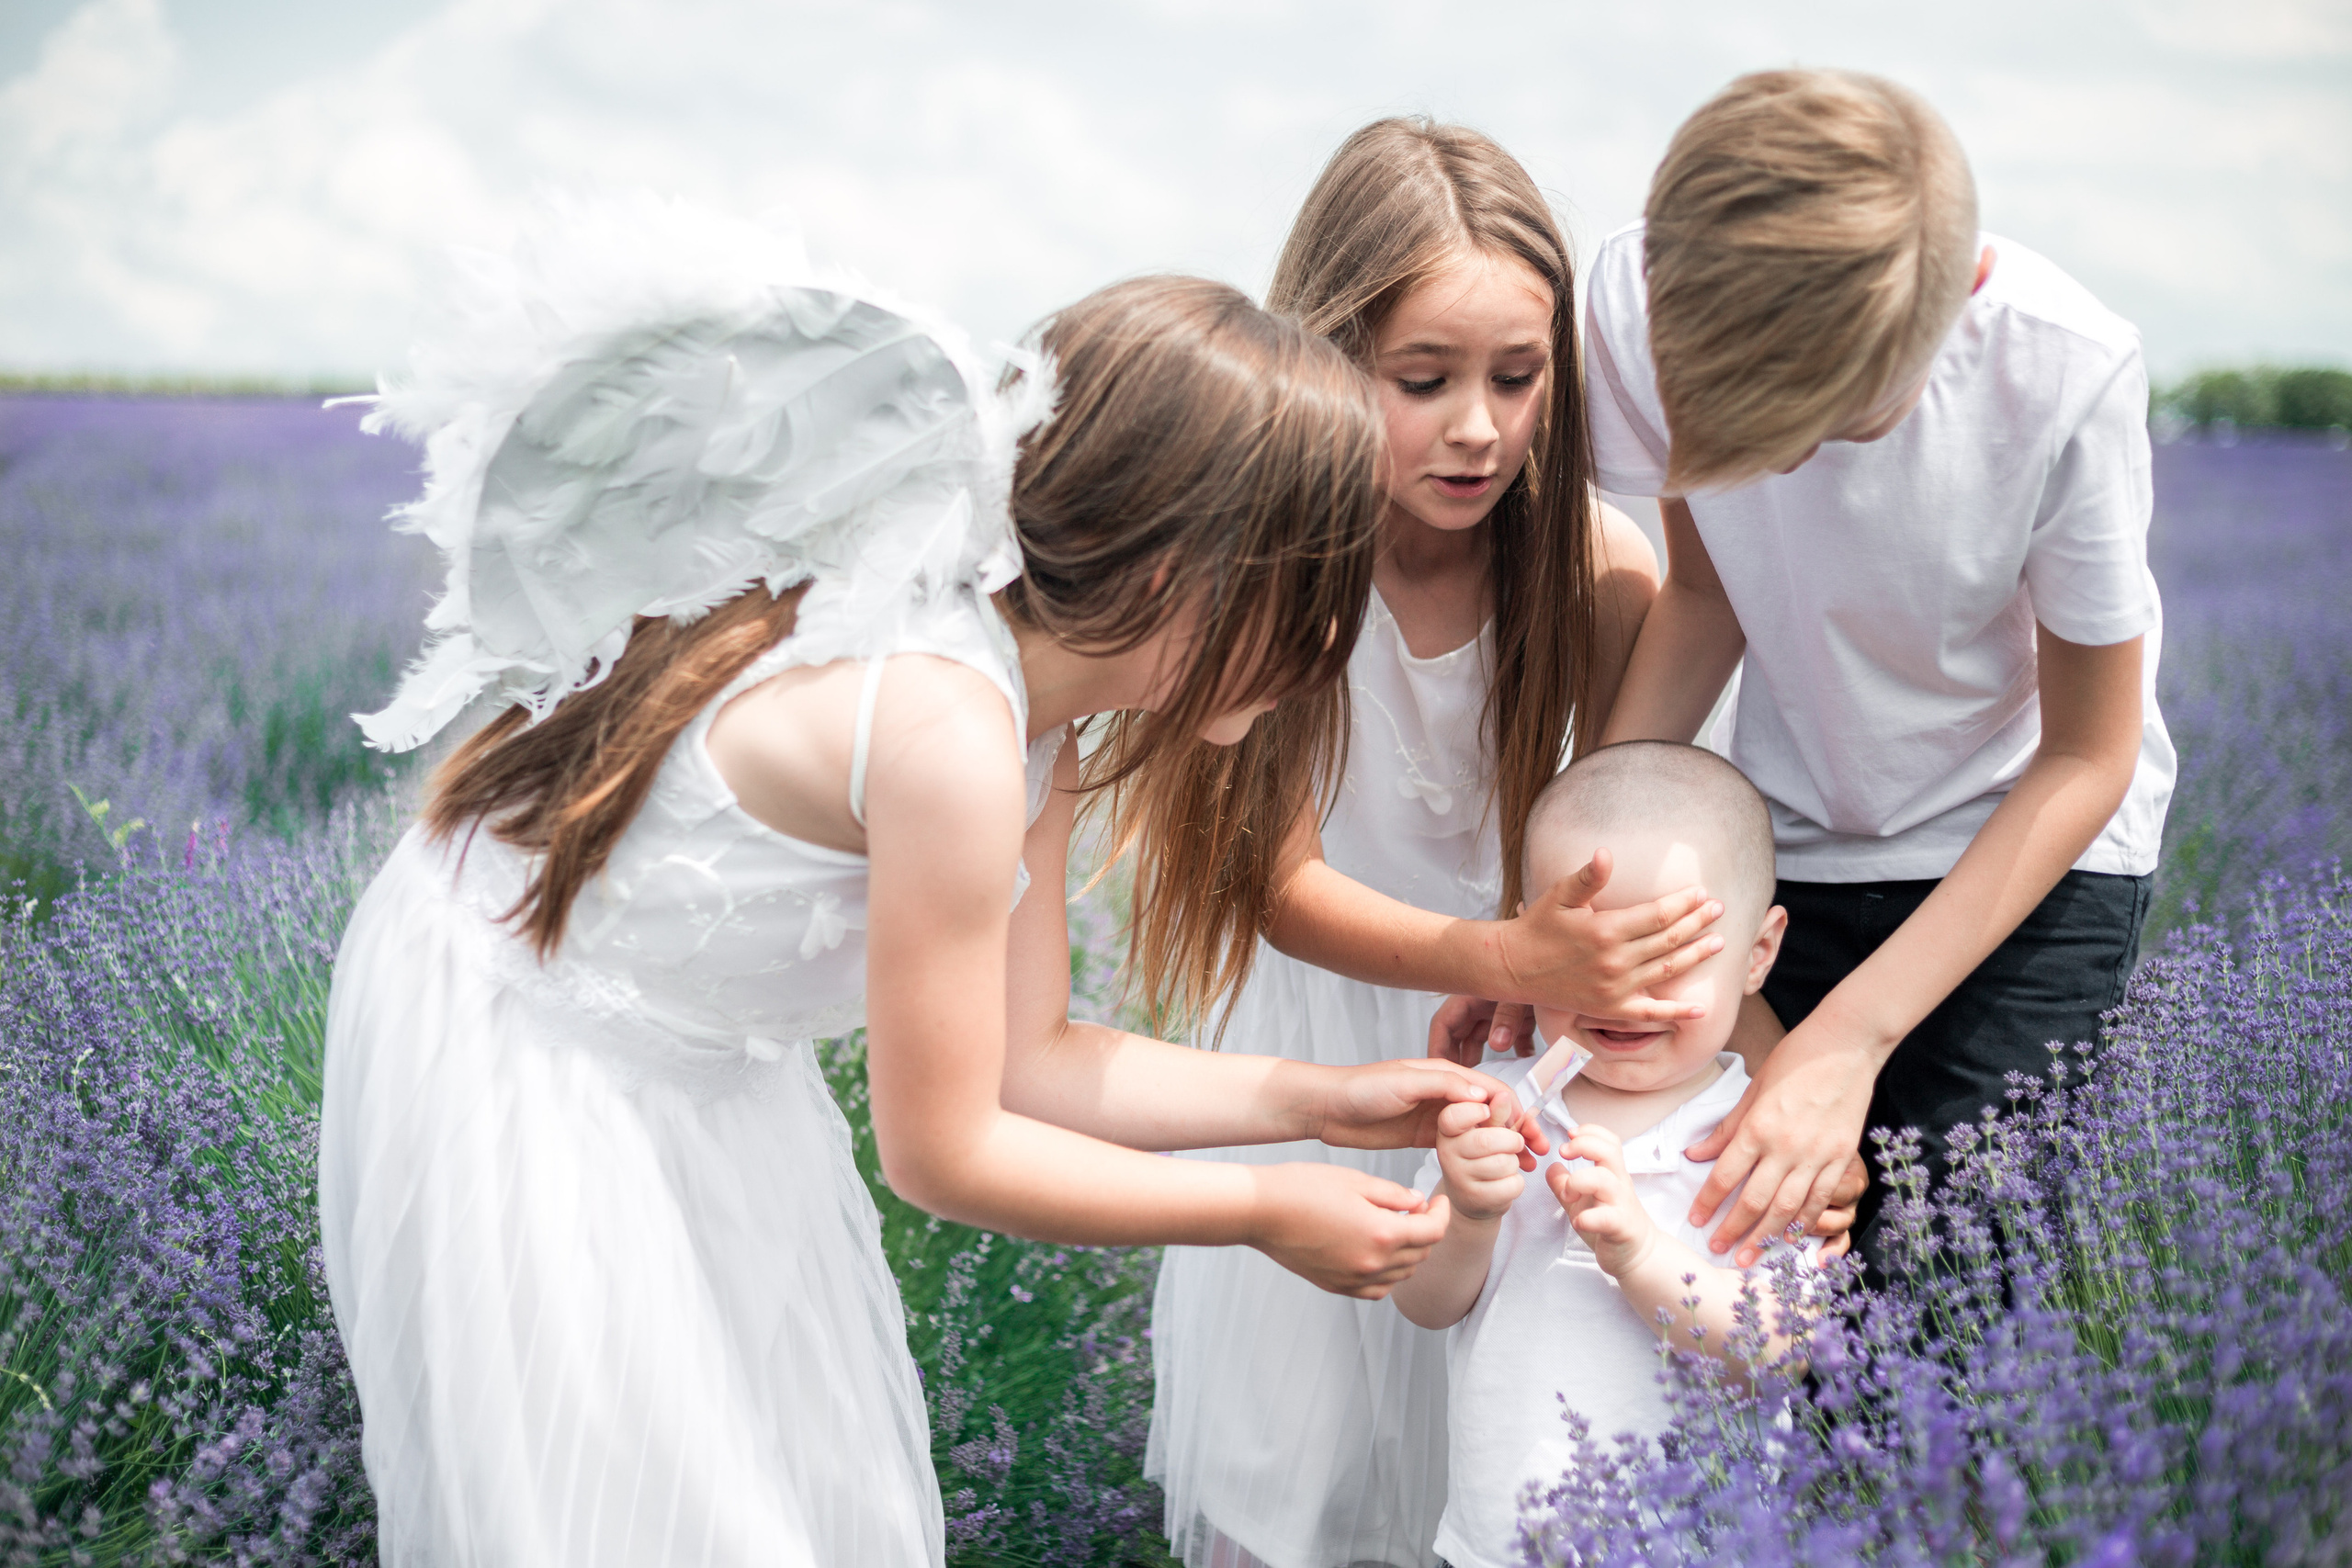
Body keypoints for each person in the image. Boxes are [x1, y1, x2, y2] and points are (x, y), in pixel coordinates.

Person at [318, 195, 1535, 1568]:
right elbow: (945, 1150)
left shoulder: (1040, 725)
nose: (1329, 631)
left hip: (700, 1060)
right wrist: (1263, 1208)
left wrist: (1322, 1105)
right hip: (537, 1041)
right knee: (642, 1494)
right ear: (1179, 572)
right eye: (1310, 583)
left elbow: (1033, 1060)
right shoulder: (951, 732)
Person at [1142, 119, 1860, 1568]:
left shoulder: (1592, 574)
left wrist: (1782, 1089)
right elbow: (1277, 888)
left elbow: (1662, 867)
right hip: (1332, 1064)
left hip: (1552, 1069)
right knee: (1297, 1474)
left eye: (1517, 379)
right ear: (1332, 358)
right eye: (1425, 380)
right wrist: (1506, 951)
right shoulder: (1280, 569)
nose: (1478, 424)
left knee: (1528, 1450)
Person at [1587, 70, 2173, 1270]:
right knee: (1733, 1278)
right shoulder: (1649, 302)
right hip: (1788, 842)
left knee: (1949, 1305)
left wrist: (1847, 1036)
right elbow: (1705, 596)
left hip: (2024, 858)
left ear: (1964, 292)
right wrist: (1581, 861)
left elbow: (2088, 753)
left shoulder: (2065, 372)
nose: (1790, 456)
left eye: (1832, 416)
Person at [1393, 741, 1815, 1568]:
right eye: (1589, 960)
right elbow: (1425, 1302)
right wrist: (1471, 1211)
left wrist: (1642, 1255)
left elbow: (1780, 1343)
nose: (1626, 997)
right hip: (1501, 1540)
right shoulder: (1495, 1106)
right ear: (1528, 939)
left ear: (1758, 953)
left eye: (1672, 961)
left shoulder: (1763, 1134)